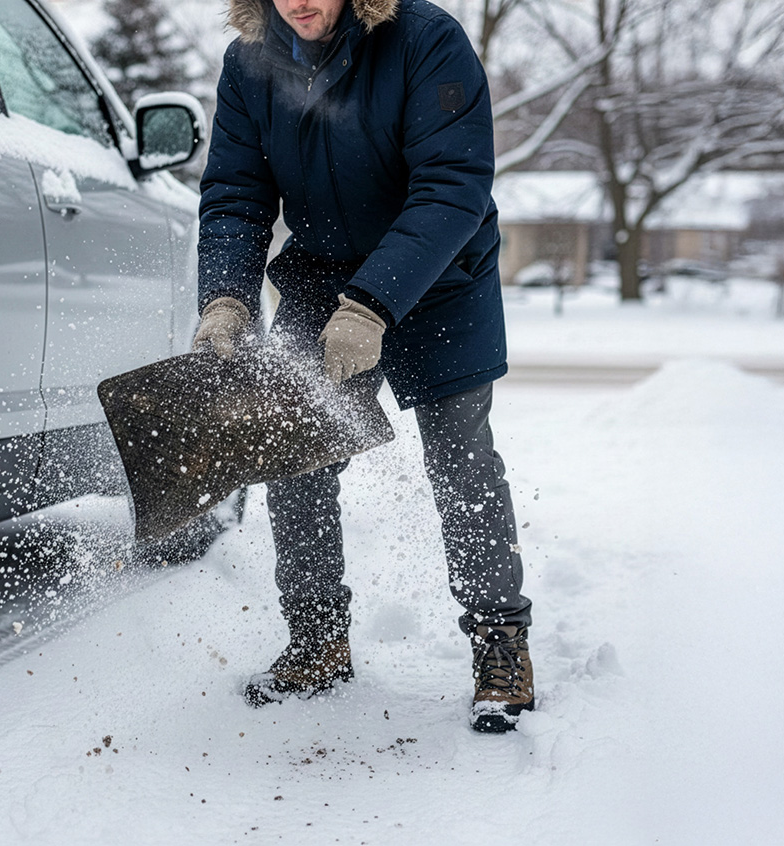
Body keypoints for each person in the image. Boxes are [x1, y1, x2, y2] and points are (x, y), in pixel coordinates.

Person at [194, 0, 534, 732]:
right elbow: (235, 194)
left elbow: (453, 184)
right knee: (294, 458)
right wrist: (225, 297)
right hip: (322, 277)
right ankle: (317, 641)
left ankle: (499, 641)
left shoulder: (425, 41)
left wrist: (374, 304)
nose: (300, 2)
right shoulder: (249, 62)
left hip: (441, 277)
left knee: (459, 458)